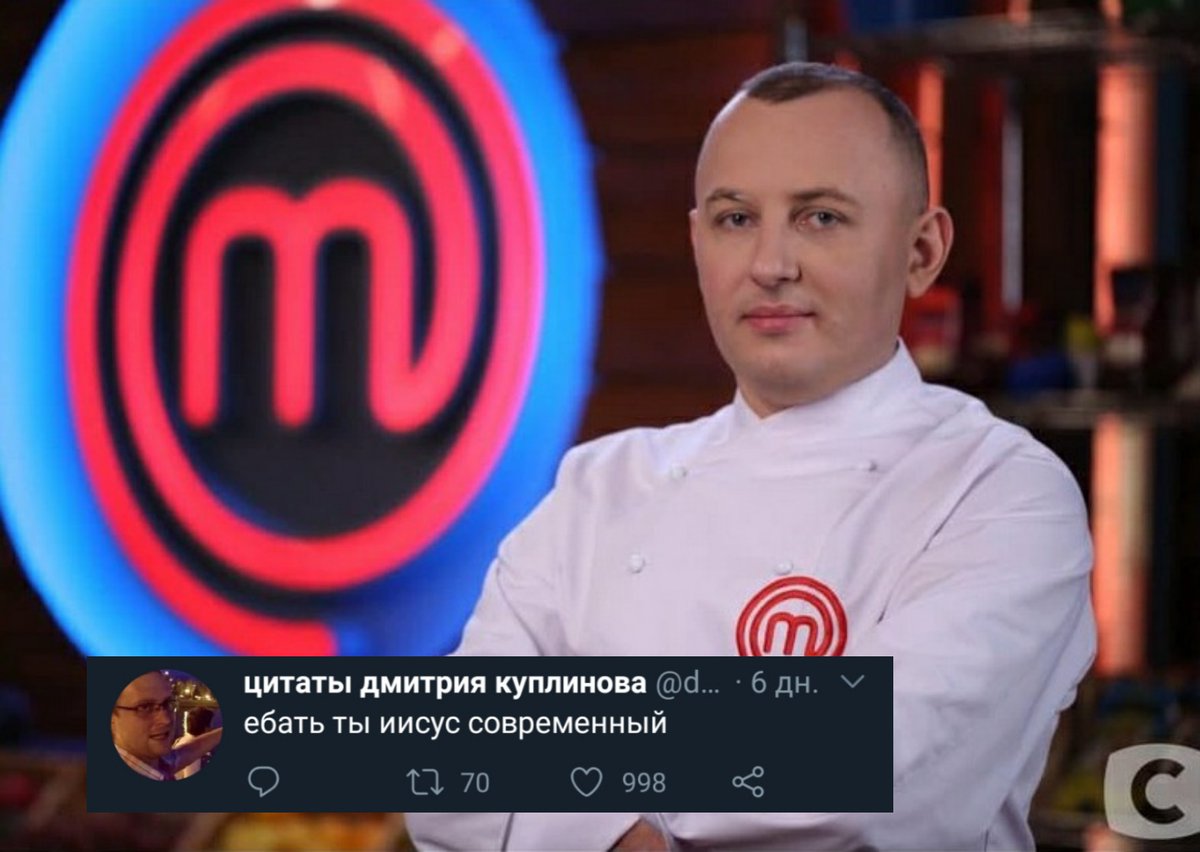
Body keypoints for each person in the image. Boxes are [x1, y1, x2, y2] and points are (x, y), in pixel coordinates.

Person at [406, 62, 1095, 850]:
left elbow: (863, 766)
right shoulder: (597, 487)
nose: (770, 264)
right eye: (736, 219)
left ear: (922, 251)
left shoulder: (999, 493)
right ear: (697, 241)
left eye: (820, 218)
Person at [111, 671, 222, 781]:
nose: (166, 720)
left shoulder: (155, 763)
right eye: (144, 707)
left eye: (168, 703)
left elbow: (185, 753)